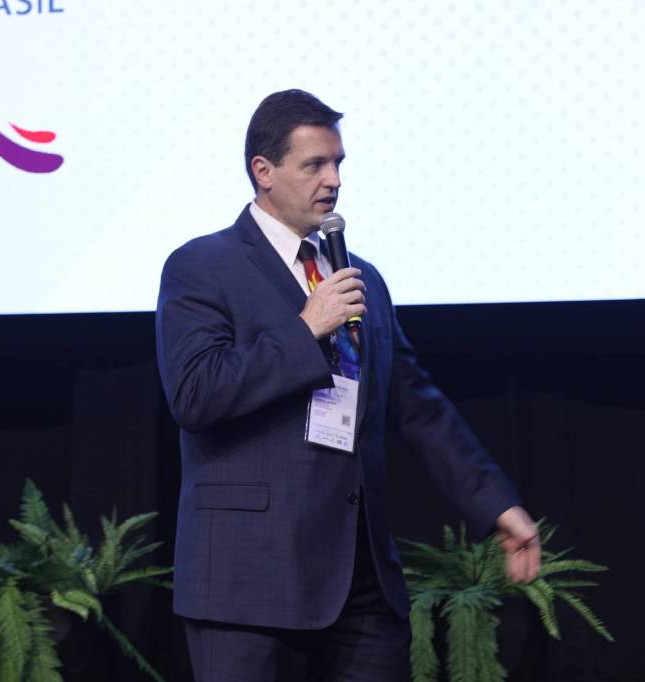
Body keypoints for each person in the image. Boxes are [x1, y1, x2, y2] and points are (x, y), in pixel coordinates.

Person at [155, 89, 540, 682]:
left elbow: (417, 406)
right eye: (314, 164)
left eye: (337, 163)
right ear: (263, 171)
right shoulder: (202, 265)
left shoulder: (362, 278)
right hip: (248, 581)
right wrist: (305, 329)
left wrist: (496, 505)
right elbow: (195, 394)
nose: (333, 180)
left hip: (360, 580)